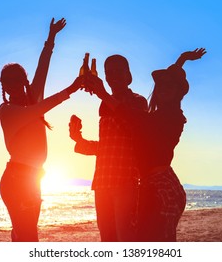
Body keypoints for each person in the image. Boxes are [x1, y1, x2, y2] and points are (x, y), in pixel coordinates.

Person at [86, 48, 206, 241]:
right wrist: (181, 60)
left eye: (170, 87)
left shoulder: (169, 117)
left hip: (160, 187)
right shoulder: (158, 114)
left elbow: (130, 116)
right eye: (160, 86)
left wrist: (101, 93)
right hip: (153, 185)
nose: (163, 89)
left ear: (179, 93)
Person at [0, 18, 82, 242]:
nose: (12, 86)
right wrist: (72, 88)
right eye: (7, 83)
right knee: (28, 237)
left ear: (24, 80)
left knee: (23, 236)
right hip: (17, 180)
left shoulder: (33, 97)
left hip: (32, 178)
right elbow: (42, 108)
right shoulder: (8, 111)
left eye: (17, 80)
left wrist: (51, 37)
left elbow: (43, 67)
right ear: (3, 86)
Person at [69, 55, 148, 241]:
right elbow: (107, 147)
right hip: (102, 181)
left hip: (126, 181)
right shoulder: (105, 103)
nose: (113, 75)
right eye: (108, 72)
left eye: (117, 70)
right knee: (108, 240)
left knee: (126, 238)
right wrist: (77, 138)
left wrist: (102, 94)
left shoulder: (138, 102)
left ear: (128, 75)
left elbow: (135, 131)